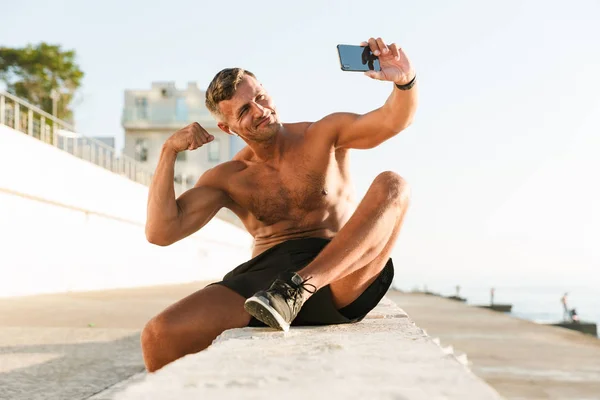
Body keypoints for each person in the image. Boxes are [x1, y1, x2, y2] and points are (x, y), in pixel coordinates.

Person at [141, 37, 417, 372]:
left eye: (259, 98)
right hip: (267, 286)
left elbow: (392, 121)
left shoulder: (322, 134)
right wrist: (168, 150)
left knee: (394, 185)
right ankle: (286, 294)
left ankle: (298, 289)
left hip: (338, 271)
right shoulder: (229, 178)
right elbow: (160, 232)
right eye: (244, 111)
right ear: (227, 128)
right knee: (159, 335)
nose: (259, 111)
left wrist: (405, 81)